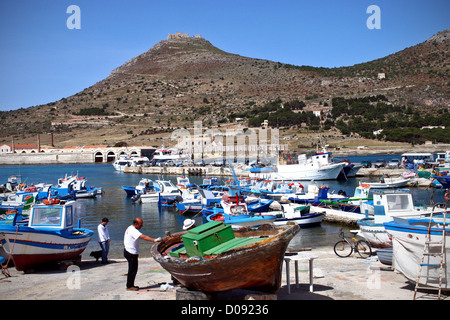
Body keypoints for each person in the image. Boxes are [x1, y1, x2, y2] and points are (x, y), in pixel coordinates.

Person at [123, 217, 160, 291]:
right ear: (136, 224)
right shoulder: (134, 231)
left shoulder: (130, 227)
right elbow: (143, 237)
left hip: (127, 251)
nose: (142, 226)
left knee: (132, 269)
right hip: (131, 252)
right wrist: (155, 240)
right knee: (132, 270)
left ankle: (130, 284)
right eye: (141, 224)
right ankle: (129, 286)